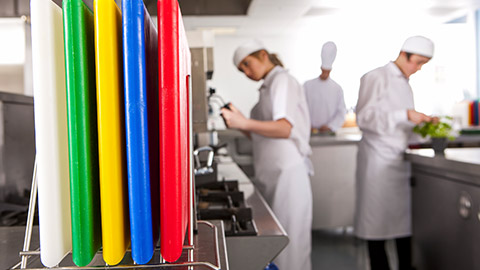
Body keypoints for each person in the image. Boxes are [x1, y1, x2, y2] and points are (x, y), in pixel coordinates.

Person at [221, 39, 313, 270]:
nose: (246, 72)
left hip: (288, 176)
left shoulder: (282, 80)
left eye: (247, 64)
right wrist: (241, 123)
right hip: (273, 176)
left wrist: (245, 121)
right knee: (279, 245)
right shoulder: (267, 87)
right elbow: (261, 135)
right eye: (242, 70)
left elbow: (284, 128)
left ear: (263, 55)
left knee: (291, 248)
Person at [354, 35, 437, 270]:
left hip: (399, 163)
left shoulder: (405, 84)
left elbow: (403, 129)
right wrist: (405, 115)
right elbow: (364, 118)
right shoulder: (375, 77)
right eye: (417, 62)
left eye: (423, 64)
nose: (418, 69)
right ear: (404, 54)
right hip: (377, 162)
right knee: (377, 226)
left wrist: (423, 126)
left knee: (403, 226)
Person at [303, 41, 347, 134]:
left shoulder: (337, 89)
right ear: (320, 68)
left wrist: (330, 126)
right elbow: (300, 108)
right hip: (307, 132)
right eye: (324, 71)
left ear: (331, 70)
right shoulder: (307, 86)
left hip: (328, 134)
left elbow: (341, 113)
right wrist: (306, 124)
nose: (325, 74)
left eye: (327, 71)